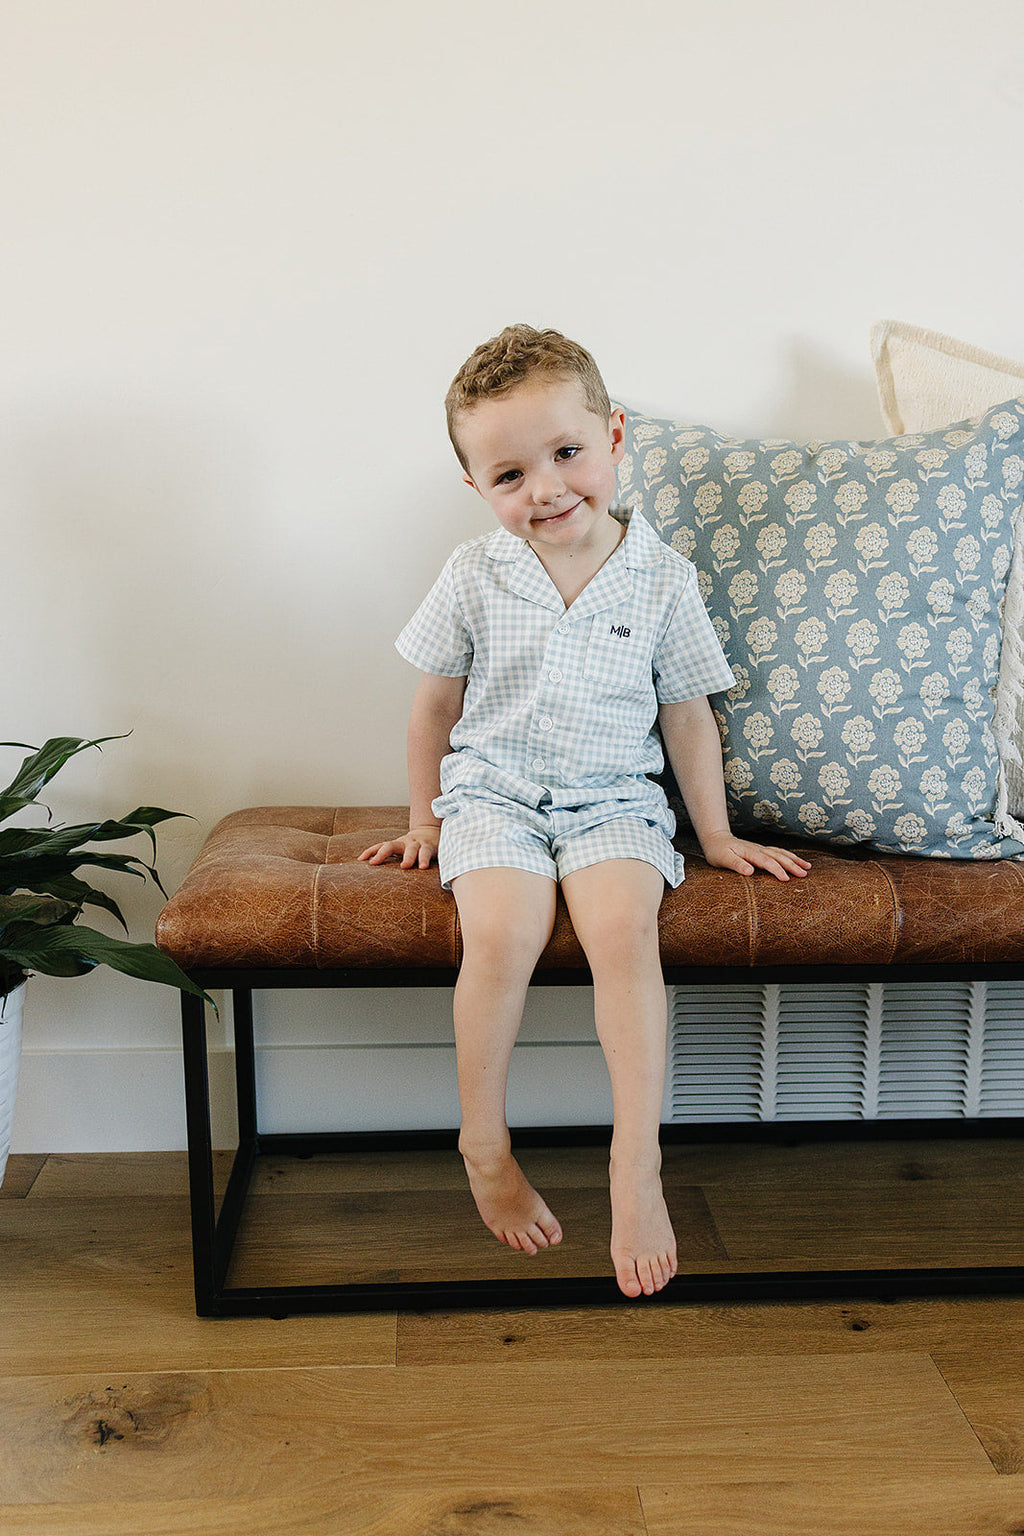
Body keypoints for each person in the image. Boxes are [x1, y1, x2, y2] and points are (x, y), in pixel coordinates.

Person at [361, 324, 810, 1298]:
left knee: (620, 930)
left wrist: (716, 833)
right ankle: (484, 1144)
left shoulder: (662, 577)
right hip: (495, 796)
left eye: (567, 452)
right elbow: (433, 708)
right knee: (501, 932)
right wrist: (425, 820)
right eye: (510, 474)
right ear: (476, 486)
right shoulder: (474, 574)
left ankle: (635, 1164)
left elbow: (685, 715)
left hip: (615, 802)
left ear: (612, 436)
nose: (546, 487)